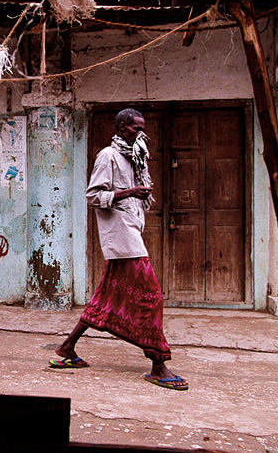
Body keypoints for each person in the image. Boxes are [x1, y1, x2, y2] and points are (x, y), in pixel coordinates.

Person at [49, 108, 188, 391]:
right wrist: (129, 192)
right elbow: (93, 196)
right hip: (121, 237)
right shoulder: (108, 156)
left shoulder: (133, 158)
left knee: (105, 299)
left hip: (130, 232)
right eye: (137, 128)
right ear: (122, 128)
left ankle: (67, 347)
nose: (142, 133)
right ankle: (158, 363)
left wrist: (138, 192)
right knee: (151, 298)